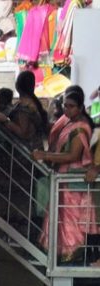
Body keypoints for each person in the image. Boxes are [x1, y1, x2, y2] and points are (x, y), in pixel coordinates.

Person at [34, 89, 96, 261]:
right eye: (65, 106)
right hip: (64, 179)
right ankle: (60, 255)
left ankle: (70, 257)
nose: (67, 110)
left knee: (70, 223)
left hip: (73, 181)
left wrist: (45, 156)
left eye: (71, 107)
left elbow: (73, 156)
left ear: (81, 107)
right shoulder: (69, 123)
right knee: (60, 219)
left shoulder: (80, 128)